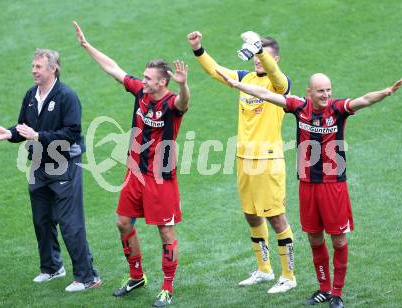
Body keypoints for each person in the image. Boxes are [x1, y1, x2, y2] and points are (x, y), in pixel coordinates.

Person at [217, 70, 402, 308]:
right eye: (321, 91)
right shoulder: (299, 107)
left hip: (333, 186)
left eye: (328, 90)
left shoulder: (338, 109)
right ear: (309, 92)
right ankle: (323, 288)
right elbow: (265, 93)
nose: (326, 95)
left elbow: (364, 100)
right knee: (314, 237)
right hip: (307, 186)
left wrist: (385, 92)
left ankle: (337, 292)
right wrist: (237, 85)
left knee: (338, 240)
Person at [74, 21, 190, 307]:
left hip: (160, 178)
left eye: (149, 78)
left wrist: (184, 84)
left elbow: (185, 102)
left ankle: (167, 287)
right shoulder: (141, 92)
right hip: (134, 173)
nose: (144, 79)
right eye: (145, 77)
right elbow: (114, 69)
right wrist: (87, 46)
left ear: (163, 82)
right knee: (123, 222)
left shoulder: (172, 103)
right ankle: (137, 276)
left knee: (165, 231)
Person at [187, 31, 296, 293]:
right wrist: (199, 49)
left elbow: (277, 77)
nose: (259, 60)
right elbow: (217, 72)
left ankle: (289, 276)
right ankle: (264, 269)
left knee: (277, 218)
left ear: (275, 58)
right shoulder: (244, 78)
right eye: (257, 55)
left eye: (265, 55)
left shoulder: (279, 84)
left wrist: (258, 50)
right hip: (244, 159)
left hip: (268, 161)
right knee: (251, 215)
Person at [0, 49, 101, 292]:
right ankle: (51, 268)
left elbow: (72, 133)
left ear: (53, 69)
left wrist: (38, 136)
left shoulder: (66, 96)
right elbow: (23, 127)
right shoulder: (31, 95)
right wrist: (9, 133)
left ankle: (87, 276)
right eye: (33, 66)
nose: (33, 70)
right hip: (38, 165)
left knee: (70, 223)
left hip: (64, 166)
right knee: (42, 220)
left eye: (38, 67)